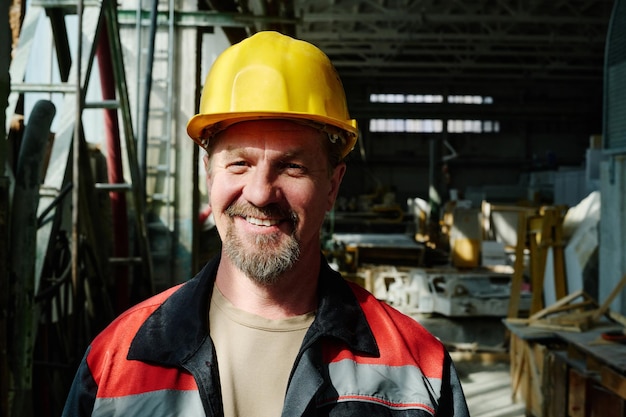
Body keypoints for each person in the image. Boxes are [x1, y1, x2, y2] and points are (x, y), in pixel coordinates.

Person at [61, 31, 470, 417]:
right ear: (209, 175)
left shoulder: (420, 370)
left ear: (333, 185)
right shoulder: (116, 362)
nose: (259, 193)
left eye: (292, 167)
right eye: (239, 163)